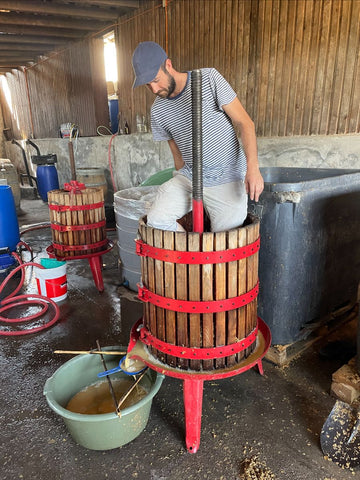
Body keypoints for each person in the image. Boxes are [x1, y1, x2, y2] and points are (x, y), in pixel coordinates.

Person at [132, 41, 264, 232]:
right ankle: (190, 252)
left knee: (224, 243)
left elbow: (245, 123)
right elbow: (176, 153)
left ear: (168, 65)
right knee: (156, 221)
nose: (154, 89)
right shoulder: (158, 110)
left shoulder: (209, 79)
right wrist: (183, 188)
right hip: (190, 178)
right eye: (148, 84)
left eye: (155, 80)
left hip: (226, 177)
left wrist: (253, 168)